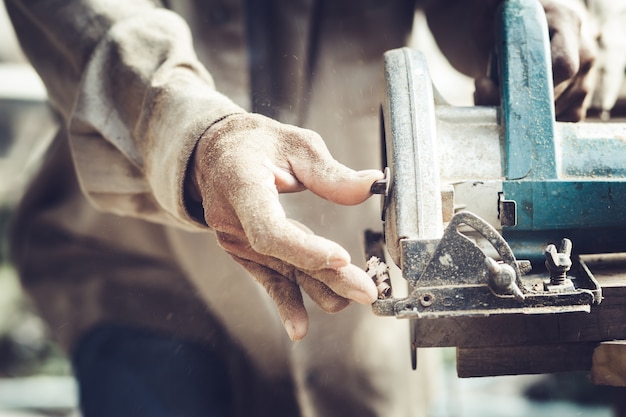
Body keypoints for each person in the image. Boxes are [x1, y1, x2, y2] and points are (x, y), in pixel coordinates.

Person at [4, 0, 596, 416]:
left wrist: (539, 23)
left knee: (354, 388)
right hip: (141, 270)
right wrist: (198, 136)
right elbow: (92, 23)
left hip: (356, 287)